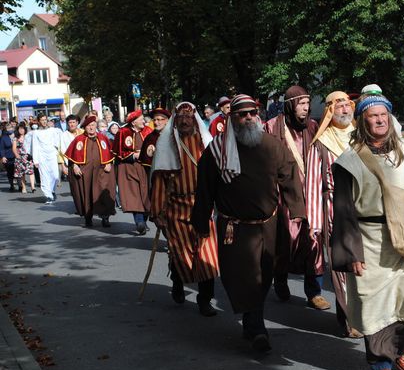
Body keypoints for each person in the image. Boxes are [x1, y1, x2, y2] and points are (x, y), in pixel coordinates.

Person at [331, 94, 404, 370]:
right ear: (363, 122)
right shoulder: (349, 161)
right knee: (376, 306)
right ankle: (380, 362)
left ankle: (402, 349)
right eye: (372, 116)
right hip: (369, 238)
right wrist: (352, 253)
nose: (378, 120)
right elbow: (343, 210)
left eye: (383, 115)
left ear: (390, 118)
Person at [192, 94, 305, 351]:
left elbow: (289, 175)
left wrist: (297, 208)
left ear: (258, 114)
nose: (248, 118)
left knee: (264, 275)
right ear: (232, 118)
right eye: (242, 114)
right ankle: (255, 325)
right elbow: (205, 189)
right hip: (235, 228)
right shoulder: (217, 150)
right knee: (242, 278)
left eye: (252, 113)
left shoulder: (272, 145)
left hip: (268, 225)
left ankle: (253, 323)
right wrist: (200, 222)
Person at [150, 102, 219, 317]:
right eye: (181, 117)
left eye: (189, 117)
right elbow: (160, 181)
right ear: (176, 120)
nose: (185, 121)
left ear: (195, 120)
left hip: (202, 207)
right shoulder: (167, 145)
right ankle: (178, 280)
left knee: (208, 256)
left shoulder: (206, 144)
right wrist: (158, 213)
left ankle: (204, 299)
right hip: (176, 209)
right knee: (182, 255)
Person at [264, 85, 329, 309]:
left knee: (314, 241)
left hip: (310, 194)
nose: (306, 107)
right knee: (286, 241)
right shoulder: (272, 126)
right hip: (284, 197)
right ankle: (280, 279)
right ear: (291, 105)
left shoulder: (312, 126)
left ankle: (314, 291)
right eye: (301, 104)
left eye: (307, 103)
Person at [305, 91, 361, 337]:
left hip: (362, 210)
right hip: (333, 211)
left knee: (364, 266)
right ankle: (349, 319)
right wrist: (315, 224)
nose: (344, 110)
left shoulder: (361, 137)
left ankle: (366, 314)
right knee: (342, 267)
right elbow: (314, 185)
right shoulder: (321, 143)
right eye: (338, 106)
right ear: (329, 110)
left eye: (347, 105)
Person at [63, 115, 116, 228]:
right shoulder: (79, 139)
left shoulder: (103, 138)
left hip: (102, 172)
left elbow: (110, 152)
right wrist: (75, 166)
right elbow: (72, 156)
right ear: (85, 128)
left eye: (93, 125)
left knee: (104, 194)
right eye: (88, 126)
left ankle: (105, 218)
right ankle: (88, 217)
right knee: (86, 194)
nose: (91, 128)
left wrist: (108, 163)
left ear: (96, 126)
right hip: (85, 173)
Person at [112, 110, 153, 234]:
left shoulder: (148, 131)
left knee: (147, 195)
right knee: (134, 194)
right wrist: (133, 155)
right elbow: (118, 152)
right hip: (129, 167)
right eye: (141, 119)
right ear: (134, 122)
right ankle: (139, 221)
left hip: (146, 168)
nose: (144, 121)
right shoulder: (123, 132)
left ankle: (144, 219)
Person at [25, 113, 63, 204]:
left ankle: (52, 191)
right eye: (42, 120)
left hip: (52, 156)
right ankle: (48, 196)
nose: (44, 121)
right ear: (38, 121)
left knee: (54, 175)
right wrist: (36, 160)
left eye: (45, 119)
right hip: (42, 157)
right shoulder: (36, 133)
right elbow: (35, 146)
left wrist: (56, 149)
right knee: (45, 176)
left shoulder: (52, 130)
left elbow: (60, 137)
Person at [58, 115, 83, 181]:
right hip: (71, 164)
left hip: (84, 163)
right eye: (70, 122)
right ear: (67, 123)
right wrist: (63, 167)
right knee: (75, 186)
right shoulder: (64, 135)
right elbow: (61, 152)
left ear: (77, 123)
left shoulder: (83, 132)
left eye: (73, 122)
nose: (72, 124)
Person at [12, 123, 35, 193]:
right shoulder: (15, 138)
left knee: (31, 172)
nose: (21, 130)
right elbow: (14, 148)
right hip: (20, 157)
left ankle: (33, 187)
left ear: (25, 129)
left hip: (28, 156)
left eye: (23, 129)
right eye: (20, 129)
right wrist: (17, 155)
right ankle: (24, 187)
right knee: (22, 173)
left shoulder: (28, 137)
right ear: (17, 130)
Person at [0, 122, 16, 191]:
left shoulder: (16, 135)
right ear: (6, 129)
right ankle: (11, 185)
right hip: (8, 157)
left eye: (11, 128)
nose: (10, 129)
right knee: (10, 172)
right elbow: (2, 148)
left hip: (16, 156)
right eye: (8, 128)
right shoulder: (4, 138)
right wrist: (3, 156)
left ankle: (21, 185)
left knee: (17, 171)